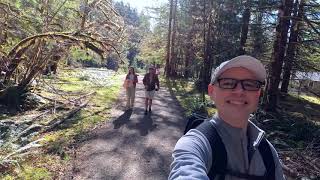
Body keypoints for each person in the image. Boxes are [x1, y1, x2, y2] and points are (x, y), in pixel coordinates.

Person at [169, 55, 285, 180]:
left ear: (258, 94)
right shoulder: (195, 143)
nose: (240, 91)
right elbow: (185, 170)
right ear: (211, 91)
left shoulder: (268, 153)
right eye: (228, 83)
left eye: (250, 84)